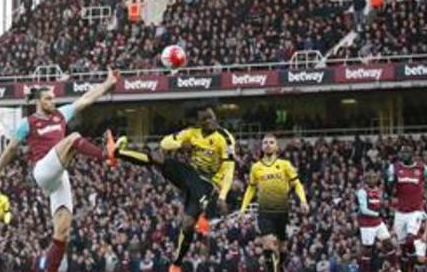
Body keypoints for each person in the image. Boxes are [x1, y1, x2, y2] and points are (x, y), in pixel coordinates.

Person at [0, 70, 118, 272]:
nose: (52, 102)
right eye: (48, 99)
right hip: (43, 171)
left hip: (59, 176)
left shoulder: (61, 114)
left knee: (62, 232)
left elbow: (86, 99)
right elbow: (10, 150)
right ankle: (105, 155)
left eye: (53, 98)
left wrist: (108, 83)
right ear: (38, 102)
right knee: (73, 138)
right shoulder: (27, 123)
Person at [107, 106, 236, 272]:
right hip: (188, 174)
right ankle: (116, 153)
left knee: (187, 224)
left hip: (208, 182)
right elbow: (164, 142)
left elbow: (229, 169)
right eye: (205, 119)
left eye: (212, 117)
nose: (210, 121)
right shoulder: (192, 133)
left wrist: (223, 195)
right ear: (199, 122)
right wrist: (181, 143)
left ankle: (176, 265)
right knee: (157, 157)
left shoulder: (225, 138)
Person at [239, 135, 308, 272]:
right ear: (262, 146)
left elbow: (297, 184)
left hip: (282, 211)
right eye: (265, 142)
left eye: (271, 142)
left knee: (282, 248)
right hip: (264, 212)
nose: (268, 145)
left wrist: (303, 201)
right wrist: (243, 208)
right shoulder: (256, 167)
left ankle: (281, 266)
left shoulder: (285, 165)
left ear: (276, 147)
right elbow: (251, 188)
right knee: (269, 245)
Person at [386, 143, 427, 270]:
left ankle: (421, 265)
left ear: (412, 155)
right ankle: (410, 267)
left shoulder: (422, 167)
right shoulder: (395, 168)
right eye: (402, 153)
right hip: (400, 212)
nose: (403, 155)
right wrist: (390, 180)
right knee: (402, 248)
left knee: (409, 240)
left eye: (406, 153)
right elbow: (389, 191)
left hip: (415, 211)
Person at [356, 170, 398, 272]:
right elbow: (363, 209)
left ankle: (396, 268)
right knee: (367, 250)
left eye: (374, 177)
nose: (372, 180)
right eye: (369, 178)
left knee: (388, 243)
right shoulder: (362, 192)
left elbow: (379, 204)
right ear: (366, 180)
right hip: (366, 224)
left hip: (378, 222)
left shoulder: (379, 191)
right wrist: (377, 213)